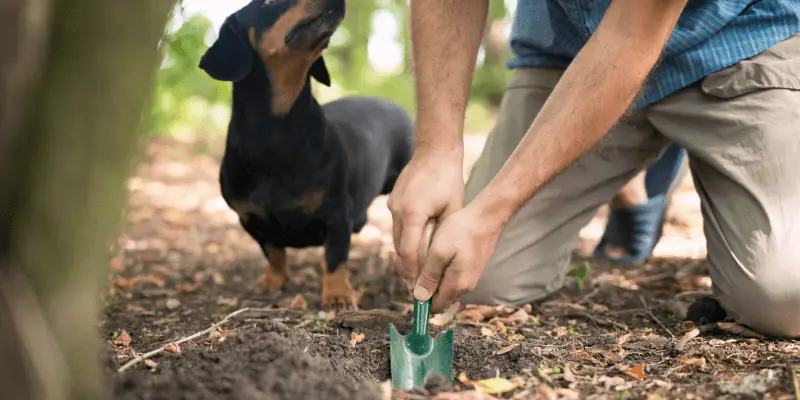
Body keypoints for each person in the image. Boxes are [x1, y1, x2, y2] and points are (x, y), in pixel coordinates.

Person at [387, 0, 800, 338]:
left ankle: (668, 159)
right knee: (478, 281)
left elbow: (631, 33)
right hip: (571, 50)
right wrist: (435, 150)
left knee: (784, 299)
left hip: (736, 43)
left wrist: (491, 212)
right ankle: (635, 188)